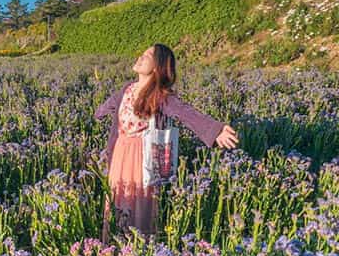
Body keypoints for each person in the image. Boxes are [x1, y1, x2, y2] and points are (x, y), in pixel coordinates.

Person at [94, 43, 239, 238]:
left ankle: (137, 252)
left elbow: (186, 113)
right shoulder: (126, 90)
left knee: (140, 206)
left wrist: (215, 131)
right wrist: (99, 113)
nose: (140, 57)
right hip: (119, 156)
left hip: (142, 159)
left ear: (157, 67)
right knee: (117, 201)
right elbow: (108, 106)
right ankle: (112, 251)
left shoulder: (161, 96)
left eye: (147, 56)